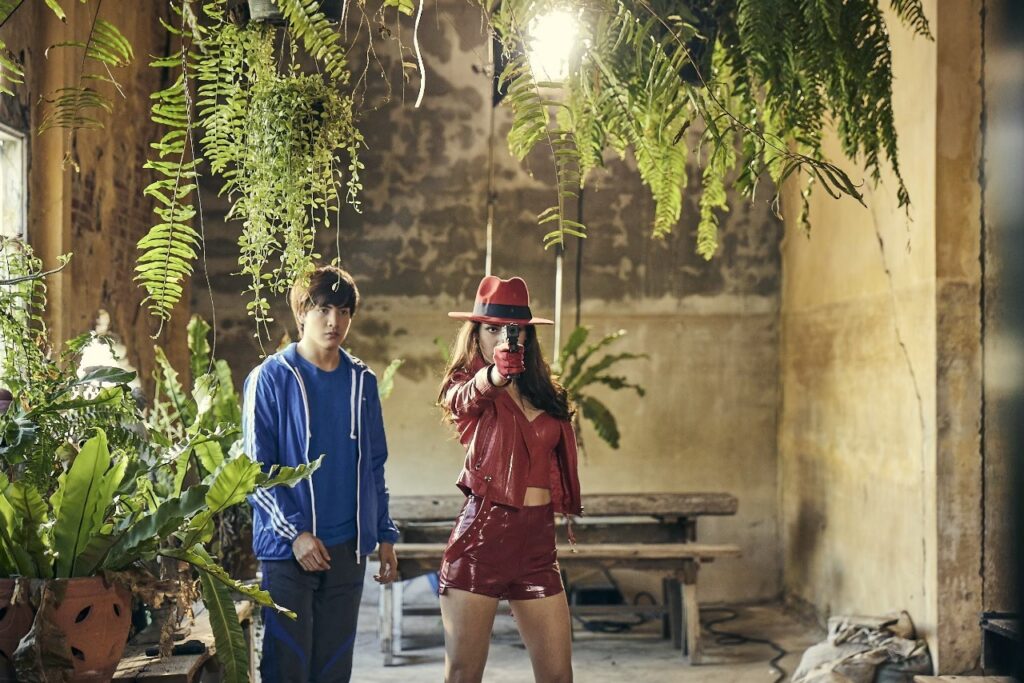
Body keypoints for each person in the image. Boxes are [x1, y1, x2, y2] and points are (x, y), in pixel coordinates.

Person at [242, 265, 400, 683]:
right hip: (287, 552)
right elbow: (255, 473)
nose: (335, 322)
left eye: (344, 311)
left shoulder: (362, 382)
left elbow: (374, 464)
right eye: (324, 309)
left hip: (346, 550)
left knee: (334, 670)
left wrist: (384, 533)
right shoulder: (269, 379)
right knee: (287, 668)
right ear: (302, 313)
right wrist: (296, 535)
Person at [436, 274, 582, 683]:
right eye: (492, 328)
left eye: (513, 328)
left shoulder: (544, 393)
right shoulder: (471, 387)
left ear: (527, 335)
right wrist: (494, 377)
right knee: (464, 674)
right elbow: (461, 399)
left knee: (558, 676)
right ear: (476, 334)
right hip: (483, 539)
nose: (503, 337)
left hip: (538, 544)